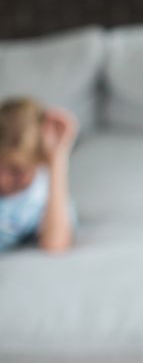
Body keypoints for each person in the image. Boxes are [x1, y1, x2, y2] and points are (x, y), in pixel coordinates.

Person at [0, 97, 78, 252]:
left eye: (17, 171)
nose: (2, 179)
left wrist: (57, 159)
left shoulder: (41, 194)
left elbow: (56, 244)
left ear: (40, 163)